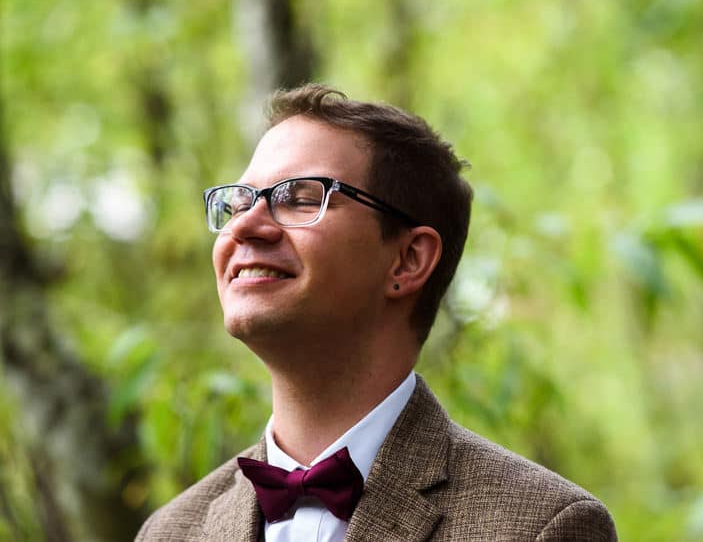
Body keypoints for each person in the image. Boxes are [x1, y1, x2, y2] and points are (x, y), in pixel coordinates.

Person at [136, 84, 618, 541]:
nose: (245, 226)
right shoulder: (169, 531)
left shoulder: (542, 527)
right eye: (239, 201)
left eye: (301, 197)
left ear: (407, 260)